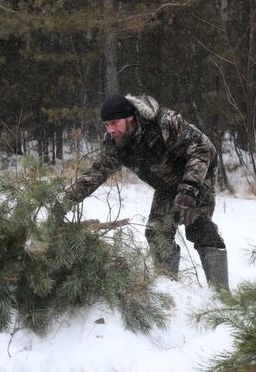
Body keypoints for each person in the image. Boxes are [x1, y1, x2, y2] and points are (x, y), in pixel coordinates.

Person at [62, 94, 229, 290]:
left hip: (199, 174)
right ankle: (169, 290)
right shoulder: (115, 143)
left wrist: (189, 190)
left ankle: (222, 297)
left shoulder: (165, 123)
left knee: (199, 227)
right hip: (166, 186)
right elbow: (95, 174)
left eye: (114, 123)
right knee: (156, 231)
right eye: (106, 125)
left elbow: (201, 150)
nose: (110, 130)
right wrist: (64, 203)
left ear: (130, 118)